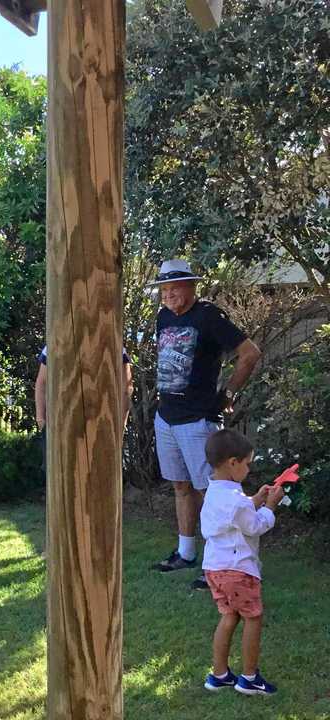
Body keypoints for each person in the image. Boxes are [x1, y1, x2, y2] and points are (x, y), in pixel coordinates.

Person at [148, 259, 261, 593]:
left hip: (198, 419)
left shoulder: (208, 316)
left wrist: (228, 393)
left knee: (211, 493)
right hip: (166, 416)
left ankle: (218, 561)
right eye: (164, 290)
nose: (168, 295)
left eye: (174, 288)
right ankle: (185, 553)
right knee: (181, 486)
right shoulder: (163, 317)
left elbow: (250, 353)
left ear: (191, 287)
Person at [200, 429, 284, 696]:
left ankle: (219, 675)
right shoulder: (236, 502)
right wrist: (269, 506)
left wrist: (255, 499)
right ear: (232, 463)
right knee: (253, 618)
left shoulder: (213, 493)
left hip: (214, 569)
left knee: (228, 616)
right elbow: (255, 526)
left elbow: (235, 515)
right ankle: (249, 678)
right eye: (247, 463)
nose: (249, 469)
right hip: (237, 571)